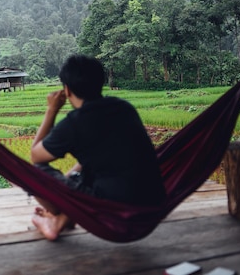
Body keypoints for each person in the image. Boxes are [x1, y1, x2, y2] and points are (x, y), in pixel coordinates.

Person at [30, 54, 166, 240]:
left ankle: (58, 218)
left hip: (111, 208)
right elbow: (101, 159)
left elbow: (36, 156)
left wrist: (51, 110)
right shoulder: (124, 108)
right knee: (91, 170)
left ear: (67, 90)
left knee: (34, 172)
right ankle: (62, 218)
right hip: (152, 201)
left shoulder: (73, 124)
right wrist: (69, 179)